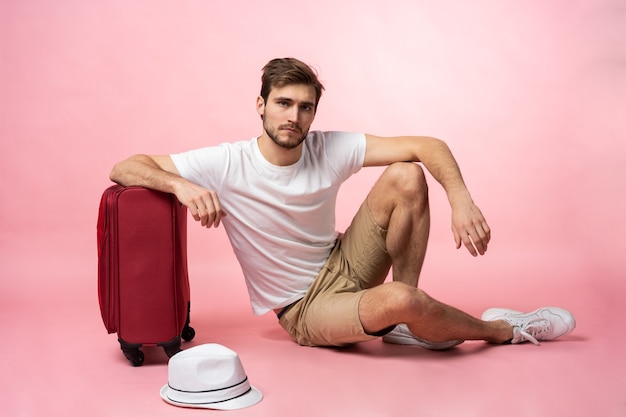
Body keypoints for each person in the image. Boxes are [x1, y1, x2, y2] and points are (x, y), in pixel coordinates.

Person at [110, 57, 575, 349]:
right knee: (400, 299)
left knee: (407, 175)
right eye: (284, 103)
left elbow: (427, 145)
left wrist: (462, 199)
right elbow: (125, 166)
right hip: (304, 308)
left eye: (305, 107)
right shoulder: (227, 162)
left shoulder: (327, 147)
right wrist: (183, 187)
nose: (294, 117)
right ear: (261, 105)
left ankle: (408, 321)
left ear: (315, 111)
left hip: (344, 262)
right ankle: (504, 331)